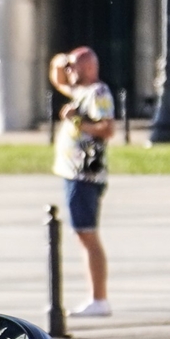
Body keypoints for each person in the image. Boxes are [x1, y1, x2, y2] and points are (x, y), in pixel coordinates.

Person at [50, 46, 118, 317]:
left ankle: (99, 298)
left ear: (90, 67)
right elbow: (56, 76)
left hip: (85, 174)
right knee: (82, 233)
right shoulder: (80, 91)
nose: (70, 72)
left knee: (87, 233)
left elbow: (108, 128)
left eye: (75, 67)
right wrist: (64, 60)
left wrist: (77, 120)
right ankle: (96, 296)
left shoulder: (97, 93)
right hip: (73, 173)